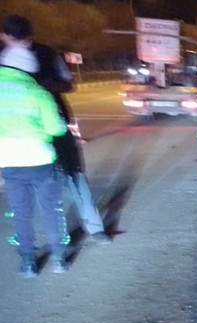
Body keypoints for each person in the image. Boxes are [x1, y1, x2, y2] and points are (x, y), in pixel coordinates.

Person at [2, 15, 110, 244]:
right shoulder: (6, 59)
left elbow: (67, 82)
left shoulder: (47, 53)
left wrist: (41, 86)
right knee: (26, 188)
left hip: (53, 125)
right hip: (20, 134)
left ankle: (93, 227)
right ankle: (34, 244)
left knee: (73, 173)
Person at [0, 45, 69, 277]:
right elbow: (56, 129)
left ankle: (28, 263)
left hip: (9, 161)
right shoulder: (38, 93)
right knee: (50, 208)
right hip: (40, 160)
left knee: (21, 213)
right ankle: (59, 258)